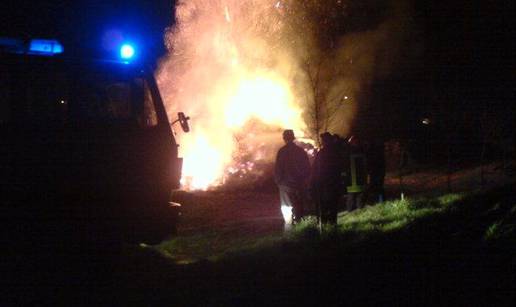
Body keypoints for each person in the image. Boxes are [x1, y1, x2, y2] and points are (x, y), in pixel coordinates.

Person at [275, 130, 311, 229]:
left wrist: (278, 181)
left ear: (284, 138)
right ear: (293, 138)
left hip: (285, 185)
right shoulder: (300, 151)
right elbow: (307, 168)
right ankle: (300, 226)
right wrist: (305, 180)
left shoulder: (282, 151)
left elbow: (278, 168)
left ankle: (289, 228)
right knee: (299, 204)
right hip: (299, 184)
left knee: (286, 207)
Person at [311, 132, 343, 224]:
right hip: (335, 185)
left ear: (325, 141)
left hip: (324, 186)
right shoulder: (337, 153)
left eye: (323, 140)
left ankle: (325, 227)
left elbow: (316, 171)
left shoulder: (322, 153)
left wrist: (313, 184)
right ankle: (333, 227)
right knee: (333, 208)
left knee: (324, 208)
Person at [346, 135, 367, 211]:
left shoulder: (347, 152)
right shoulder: (362, 151)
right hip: (358, 179)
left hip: (352, 179)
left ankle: (352, 210)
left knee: (352, 197)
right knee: (358, 196)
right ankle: (359, 209)